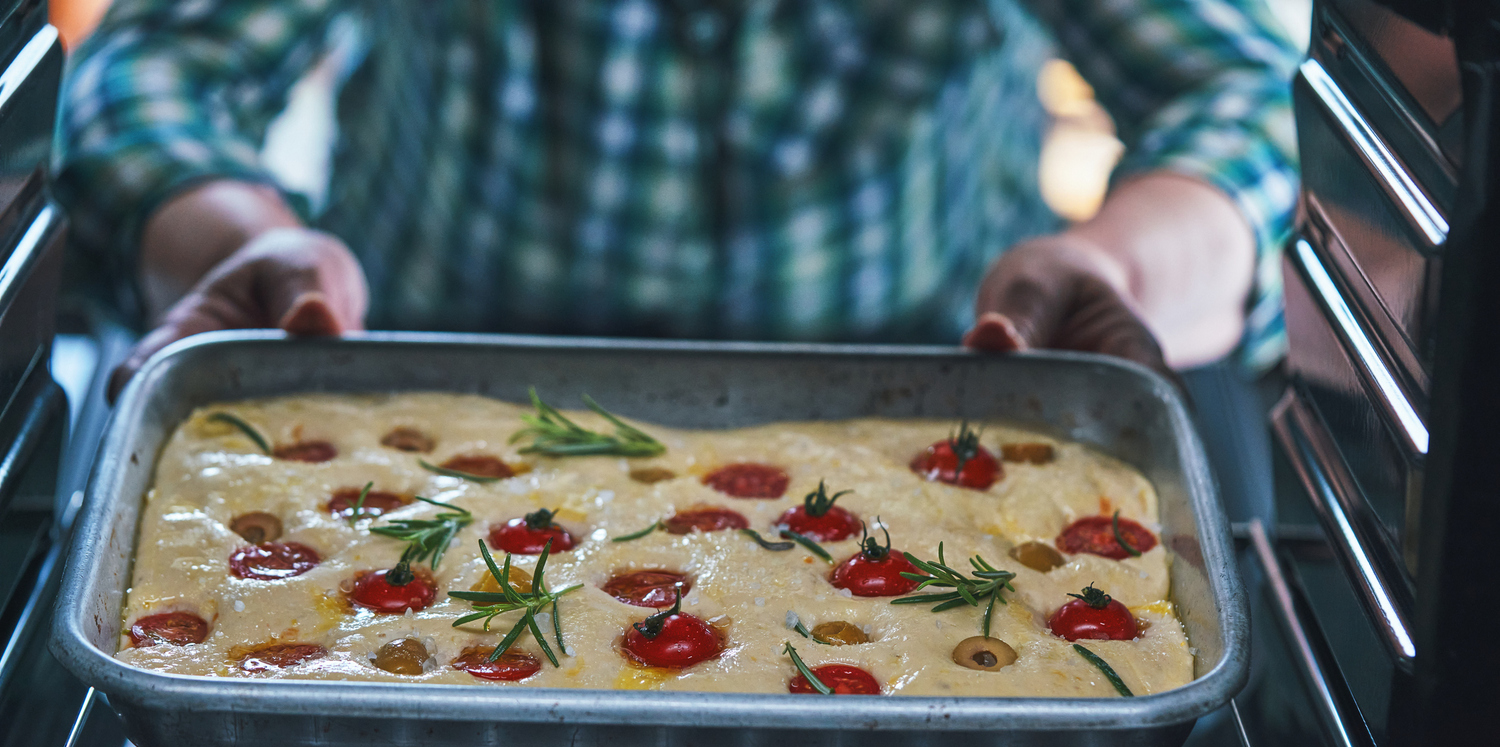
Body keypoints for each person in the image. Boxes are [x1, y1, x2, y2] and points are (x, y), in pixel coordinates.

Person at [56, 0, 1298, 446]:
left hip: (939, 416)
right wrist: (236, 246)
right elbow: (152, 68)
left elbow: (1242, 91)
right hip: (413, 418)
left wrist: (1114, 261)